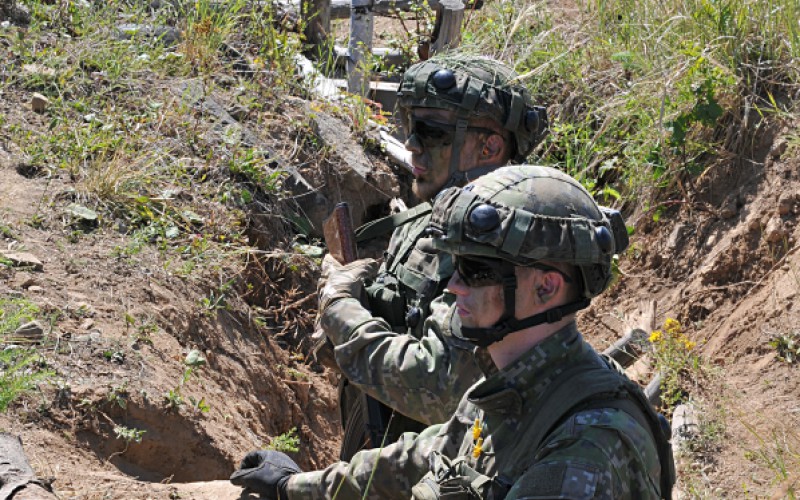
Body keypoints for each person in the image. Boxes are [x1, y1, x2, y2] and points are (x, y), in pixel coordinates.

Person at [231, 165, 675, 499]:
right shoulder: (514, 387)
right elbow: (419, 458)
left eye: (477, 270)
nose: (455, 285)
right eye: (456, 266)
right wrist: (295, 487)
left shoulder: (586, 448)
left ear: (546, 287)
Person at [318, 54, 549, 457]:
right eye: (409, 127)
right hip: (382, 463)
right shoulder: (421, 221)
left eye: (430, 131)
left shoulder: (503, 249)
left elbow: (439, 389)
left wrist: (340, 313)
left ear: (490, 146)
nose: (411, 144)